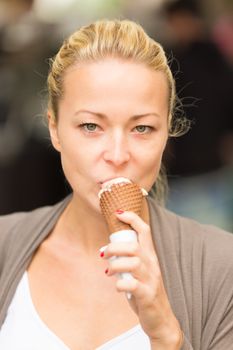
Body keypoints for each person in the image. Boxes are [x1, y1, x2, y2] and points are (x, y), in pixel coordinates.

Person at [0, 19, 233, 350]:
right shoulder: (5, 245)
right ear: (54, 129)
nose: (118, 154)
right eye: (91, 126)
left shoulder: (222, 269)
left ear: (167, 132)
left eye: (142, 129)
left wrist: (167, 335)